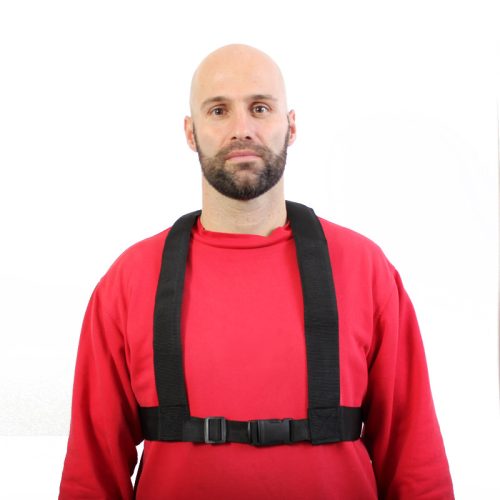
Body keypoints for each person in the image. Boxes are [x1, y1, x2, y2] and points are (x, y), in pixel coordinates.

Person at [59, 44, 454, 499]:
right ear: (190, 132)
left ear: (291, 125)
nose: (241, 129)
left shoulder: (365, 269)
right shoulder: (129, 281)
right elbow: (91, 472)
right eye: (218, 110)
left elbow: (415, 458)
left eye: (260, 108)